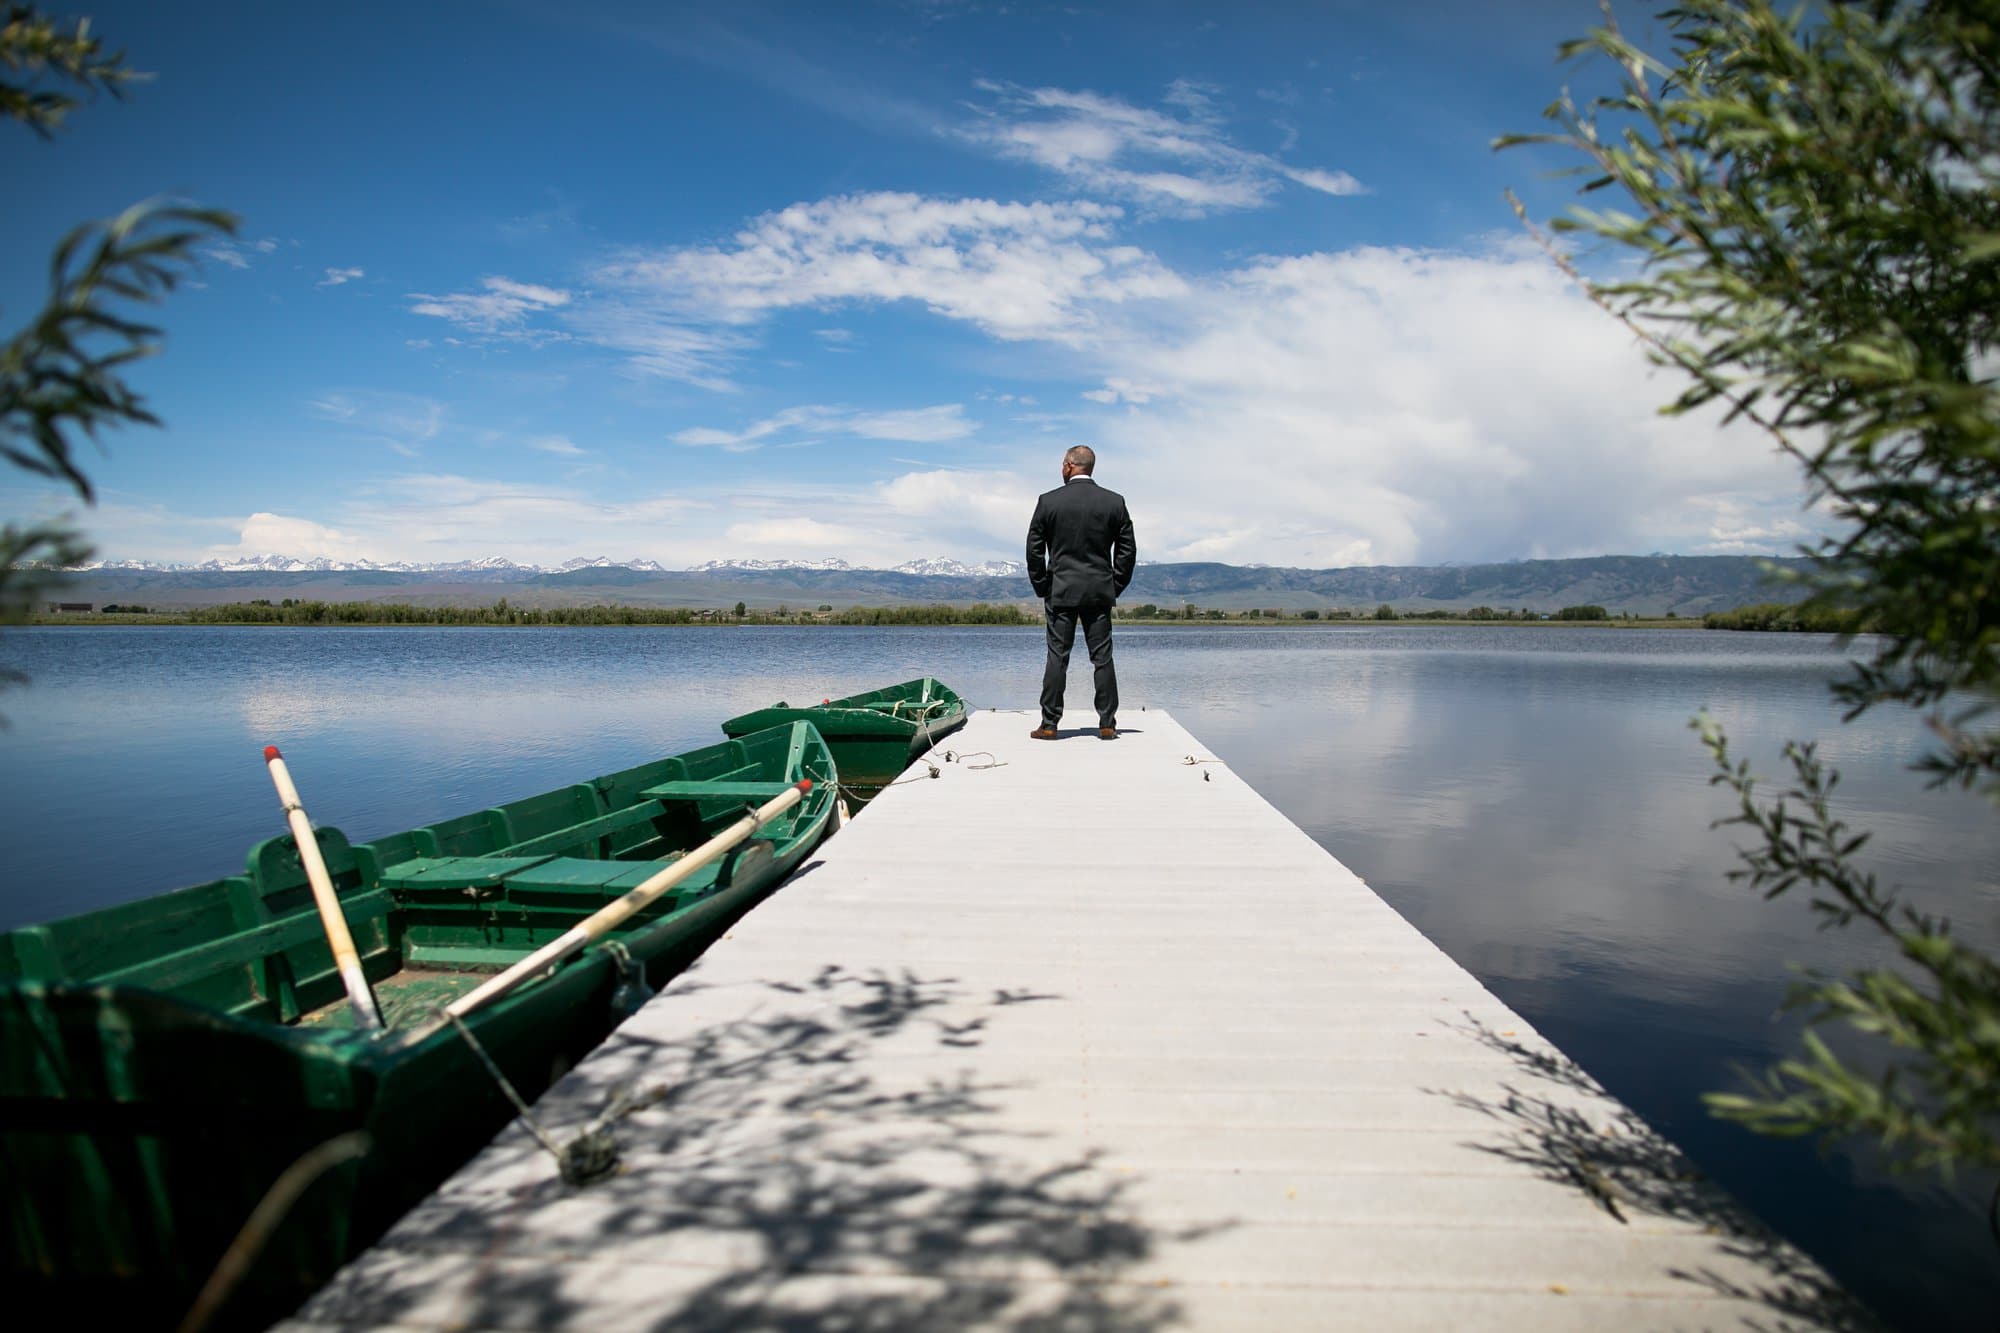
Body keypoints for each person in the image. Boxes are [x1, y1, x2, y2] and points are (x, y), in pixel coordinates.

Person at [1025, 445, 1136, 739]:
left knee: (1057, 657)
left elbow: (1034, 549)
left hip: (1060, 591)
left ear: (1068, 465)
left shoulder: (1048, 502)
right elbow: (1127, 550)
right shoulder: (1114, 502)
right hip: (1099, 591)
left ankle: (1049, 724)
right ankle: (1107, 723)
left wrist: (1042, 586)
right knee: (1102, 658)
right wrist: (1116, 585)